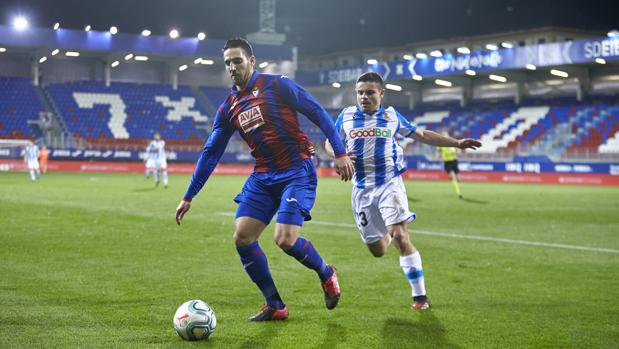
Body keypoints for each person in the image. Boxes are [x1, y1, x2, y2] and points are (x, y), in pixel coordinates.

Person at [175, 38, 355, 321]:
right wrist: (188, 195)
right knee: (243, 237)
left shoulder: (278, 85)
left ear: (251, 60)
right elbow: (211, 153)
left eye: (237, 60)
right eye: (227, 63)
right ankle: (275, 305)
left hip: (297, 170)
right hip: (262, 177)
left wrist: (340, 152)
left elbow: (318, 112)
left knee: (284, 239)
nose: (232, 67)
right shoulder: (228, 108)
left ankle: (326, 272)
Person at [325, 72, 481, 310]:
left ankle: (420, 297)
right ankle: (385, 233)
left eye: (369, 92)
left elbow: (422, 135)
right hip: (361, 190)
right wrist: (338, 155)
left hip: (390, 184)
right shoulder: (346, 116)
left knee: (400, 236)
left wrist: (456, 143)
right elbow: (331, 141)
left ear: (381, 93)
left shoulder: (391, 116)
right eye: (360, 93)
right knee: (377, 250)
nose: (364, 97)